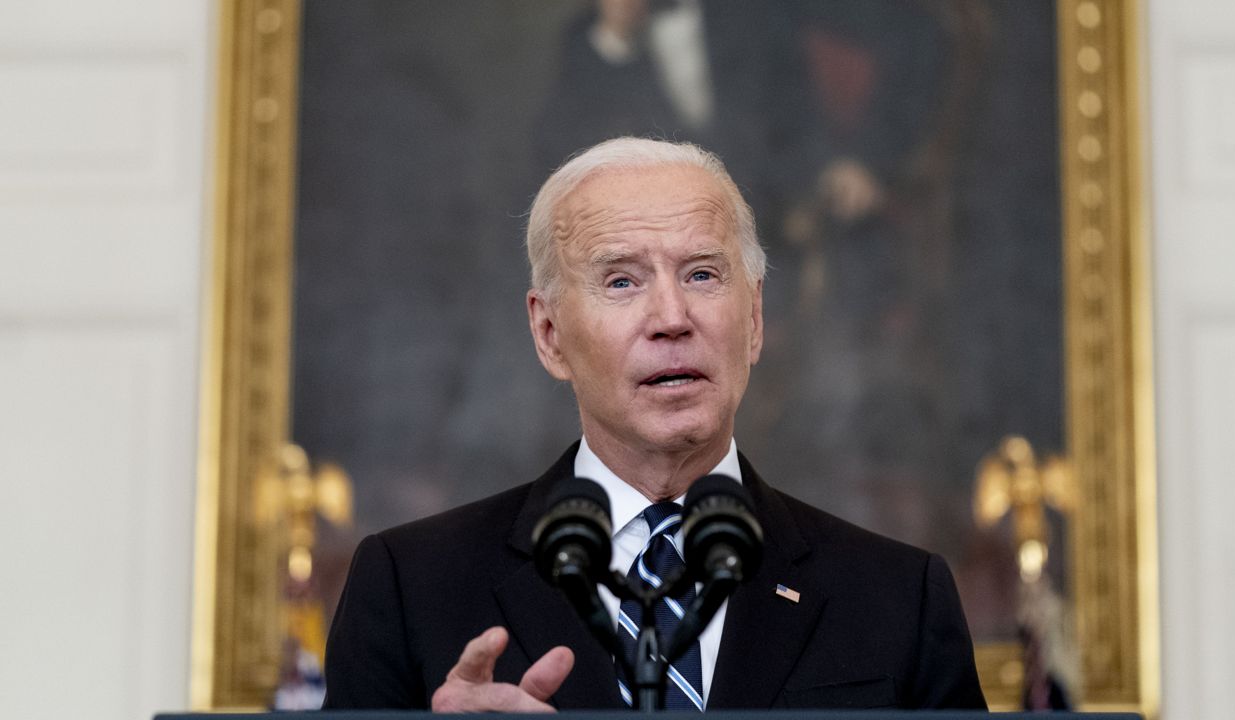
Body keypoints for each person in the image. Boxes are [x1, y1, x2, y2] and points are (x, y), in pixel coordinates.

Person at [322, 137, 987, 712]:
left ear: (753, 320)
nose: (672, 316)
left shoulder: (900, 598)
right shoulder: (410, 586)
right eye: (621, 282)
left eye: (702, 274)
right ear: (549, 333)